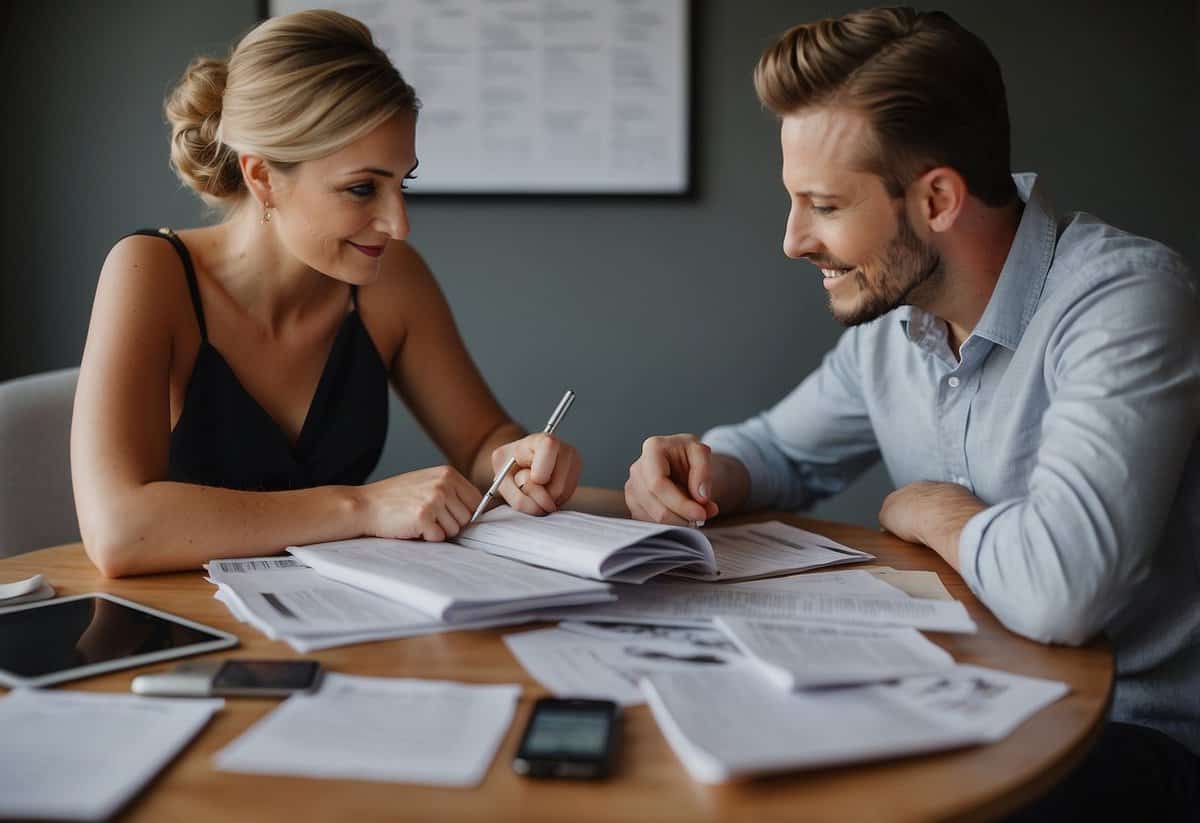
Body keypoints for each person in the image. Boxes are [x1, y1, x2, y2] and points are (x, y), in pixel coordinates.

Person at [623, 7, 1199, 818]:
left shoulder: (1124, 302)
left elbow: (1062, 591)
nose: (792, 240)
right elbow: (783, 452)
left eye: (821, 204)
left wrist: (937, 510)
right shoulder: (896, 323)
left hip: (1138, 737)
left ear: (935, 199)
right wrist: (703, 467)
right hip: (974, 702)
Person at [71, 10, 580, 578]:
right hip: (177, 628)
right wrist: (361, 506)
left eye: (401, 182)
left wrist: (517, 460)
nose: (398, 223)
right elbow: (119, 529)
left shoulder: (393, 280)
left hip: (340, 619)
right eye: (362, 188)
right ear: (262, 176)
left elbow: (483, 440)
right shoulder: (150, 272)